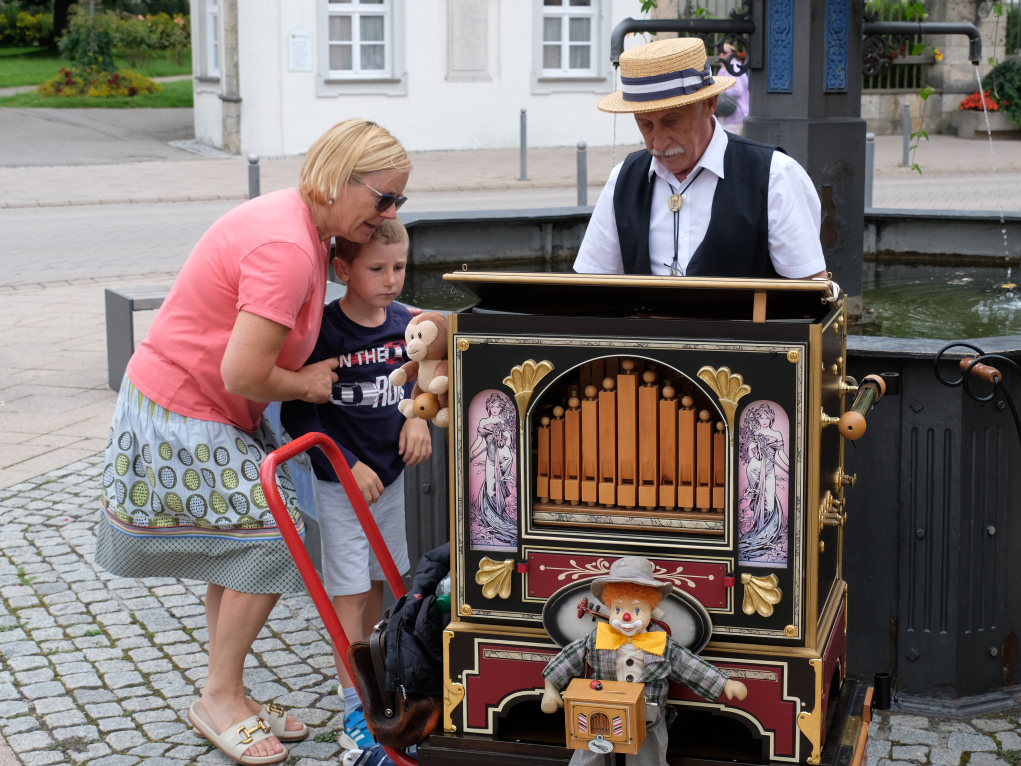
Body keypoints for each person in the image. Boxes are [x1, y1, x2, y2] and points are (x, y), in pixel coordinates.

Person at [96, 118, 412, 766]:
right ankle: (219, 697)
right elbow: (242, 373)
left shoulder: (303, 226)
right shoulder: (288, 248)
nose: (389, 212)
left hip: (200, 404)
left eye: (397, 201)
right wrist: (305, 383)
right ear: (337, 180)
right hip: (183, 404)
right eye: (383, 197)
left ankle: (227, 691)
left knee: (239, 546)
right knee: (270, 540)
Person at [280, 218, 432, 752]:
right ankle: (355, 707)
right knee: (347, 594)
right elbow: (297, 415)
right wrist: (346, 463)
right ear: (343, 270)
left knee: (376, 582)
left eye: (399, 267)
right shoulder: (324, 333)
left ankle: (375, 682)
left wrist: (418, 416)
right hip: (341, 486)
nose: (391, 280)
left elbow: (424, 378)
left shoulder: (406, 325)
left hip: (389, 482)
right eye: (377, 269)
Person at [573, 37, 827, 280]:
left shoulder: (775, 175)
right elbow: (592, 284)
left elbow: (809, 290)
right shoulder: (623, 179)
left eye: (672, 121)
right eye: (645, 125)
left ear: (709, 104)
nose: (658, 143)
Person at [540, 556, 748, 766]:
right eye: (618, 610)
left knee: (649, 750)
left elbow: (690, 665)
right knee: (591, 741)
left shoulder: (661, 644)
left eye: (637, 610)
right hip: (603, 707)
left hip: (647, 712)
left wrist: (724, 683)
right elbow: (568, 658)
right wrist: (551, 687)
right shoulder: (597, 639)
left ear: (651, 609)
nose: (626, 618)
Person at [468, 392, 517, 548]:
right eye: (493, 406)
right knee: (490, 488)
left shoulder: (503, 421)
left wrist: (502, 435)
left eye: (498, 406)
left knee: (498, 485)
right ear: (488, 407)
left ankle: (499, 519)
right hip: (490, 456)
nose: (495, 409)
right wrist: (470, 453)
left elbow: (509, 442)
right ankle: (493, 520)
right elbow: (479, 441)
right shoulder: (483, 422)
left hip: (502, 456)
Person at [714, 42, 750, 134]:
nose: (721, 55)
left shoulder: (734, 67)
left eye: (724, 52)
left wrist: (720, 91)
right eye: (720, 52)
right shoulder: (725, 68)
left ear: (732, 53)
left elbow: (737, 90)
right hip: (728, 114)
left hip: (735, 115)